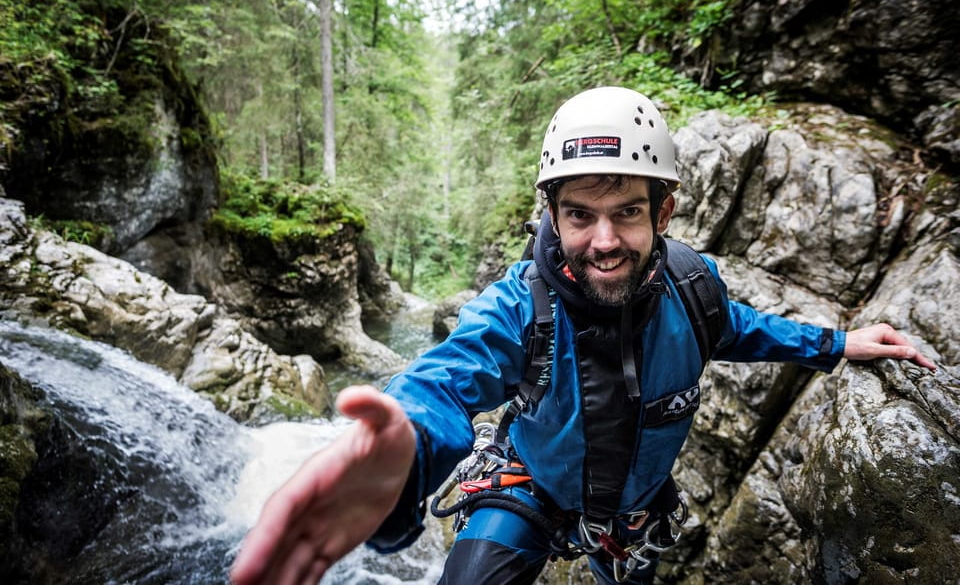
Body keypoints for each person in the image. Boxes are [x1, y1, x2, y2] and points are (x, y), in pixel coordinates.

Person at [229, 87, 937, 585]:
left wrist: (839, 344)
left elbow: (746, 329)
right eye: (579, 215)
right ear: (552, 214)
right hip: (528, 489)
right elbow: (451, 373)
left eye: (627, 212)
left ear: (665, 210)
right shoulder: (520, 305)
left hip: (632, 514)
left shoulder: (694, 290)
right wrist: (407, 446)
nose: (603, 241)